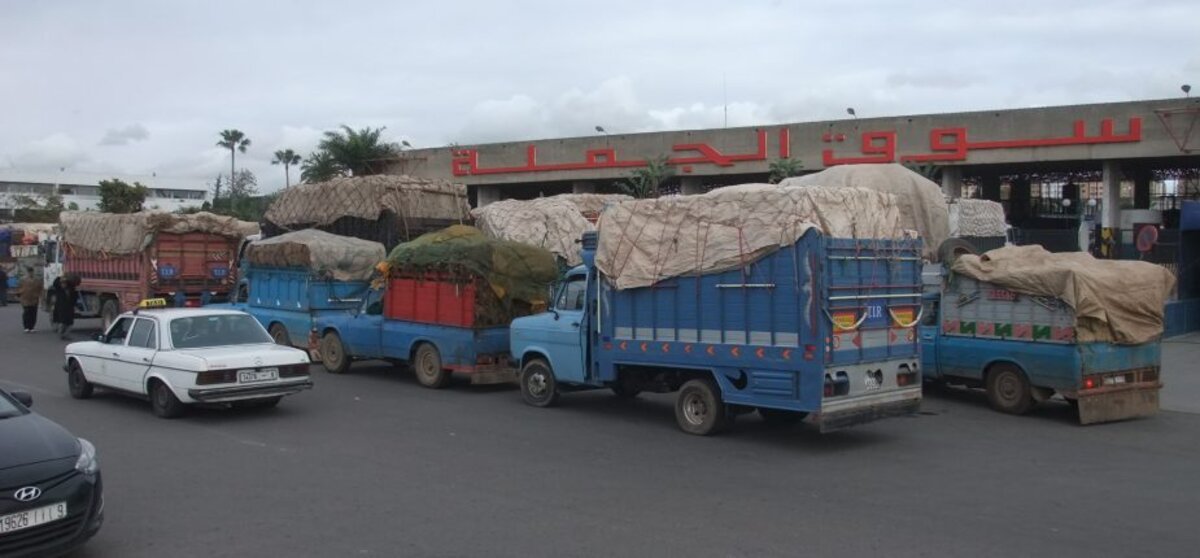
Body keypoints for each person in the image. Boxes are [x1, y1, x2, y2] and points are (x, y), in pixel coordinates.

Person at [52, 276, 78, 340]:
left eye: (65, 283)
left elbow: (73, 284)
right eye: (62, 283)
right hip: (61, 308)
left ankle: (66, 335)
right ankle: (61, 334)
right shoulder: (59, 290)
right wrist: (60, 277)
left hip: (69, 308)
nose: (63, 284)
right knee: (62, 323)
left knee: (70, 323)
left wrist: (67, 278)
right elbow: (55, 283)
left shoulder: (71, 289)